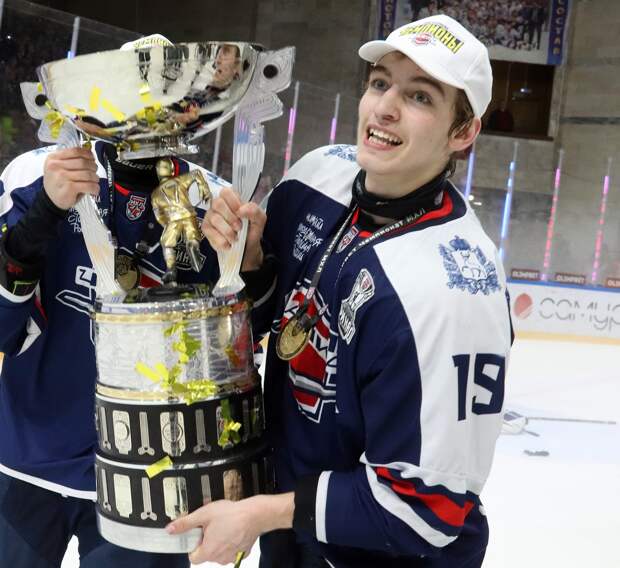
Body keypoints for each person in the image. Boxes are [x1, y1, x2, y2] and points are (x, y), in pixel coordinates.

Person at [169, 14, 513, 568]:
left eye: (420, 97)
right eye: (380, 83)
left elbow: (426, 511)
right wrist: (248, 263)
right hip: (294, 525)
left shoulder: (451, 296)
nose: (385, 108)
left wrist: (260, 514)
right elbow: (269, 320)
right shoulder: (317, 178)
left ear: (463, 133)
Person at [0, 35, 228, 567]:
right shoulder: (39, 174)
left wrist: (245, 262)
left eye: (166, 95)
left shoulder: (210, 203)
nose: (148, 112)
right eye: (135, 90)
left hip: (151, 480)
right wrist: (42, 217)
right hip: (27, 459)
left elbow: (225, 360)